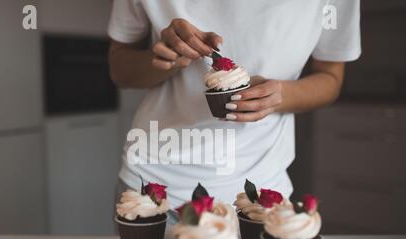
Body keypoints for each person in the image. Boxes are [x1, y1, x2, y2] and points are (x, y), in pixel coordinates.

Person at [108, 0, 361, 207]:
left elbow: (331, 78)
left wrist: (280, 94)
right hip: (151, 182)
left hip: (261, 190)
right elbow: (119, 70)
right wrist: (164, 58)